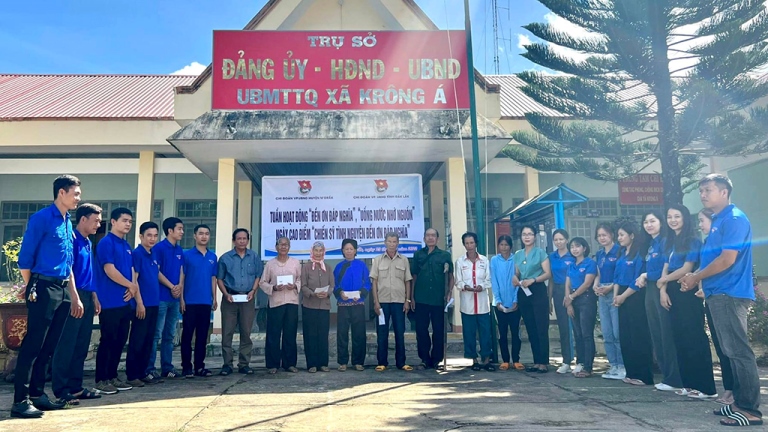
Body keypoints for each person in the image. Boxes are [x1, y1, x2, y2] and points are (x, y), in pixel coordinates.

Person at [681, 174, 763, 426]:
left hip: (730, 293)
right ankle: (739, 402)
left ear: (724, 192)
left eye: (708, 190)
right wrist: (701, 281)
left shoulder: (734, 219)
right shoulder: (718, 220)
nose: (703, 195)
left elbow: (727, 259)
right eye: (701, 191)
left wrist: (696, 277)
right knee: (729, 351)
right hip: (718, 292)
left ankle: (750, 409)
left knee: (739, 352)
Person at [12, 176, 83, 418]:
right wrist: (31, 285)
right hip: (43, 287)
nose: (78, 198)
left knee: (49, 346)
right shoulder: (42, 218)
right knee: (33, 344)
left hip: (62, 290)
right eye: (75, 193)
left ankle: (37, 395)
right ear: (61, 193)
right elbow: (25, 258)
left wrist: (74, 295)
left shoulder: (67, 222)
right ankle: (20, 402)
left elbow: (68, 263)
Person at [657, 205, 716, 399]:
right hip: (671, 290)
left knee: (693, 336)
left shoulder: (692, 240)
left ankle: (705, 387)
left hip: (687, 288)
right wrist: (663, 290)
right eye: (669, 216)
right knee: (679, 338)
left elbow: (686, 268)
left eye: (677, 216)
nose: (673, 220)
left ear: (685, 218)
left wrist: (664, 280)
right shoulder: (669, 241)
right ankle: (688, 383)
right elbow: (665, 267)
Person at [51, 203, 102, 406]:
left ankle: (76, 387)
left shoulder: (88, 241)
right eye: (96, 220)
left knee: (81, 345)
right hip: (73, 296)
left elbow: (89, 272)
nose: (99, 224)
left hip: (87, 295)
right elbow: (68, 269)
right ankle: (61, 390)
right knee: (67, 345)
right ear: (83, 219)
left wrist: (94, 296)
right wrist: (74, 297)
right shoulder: (71, 238)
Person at [636, 210, 682, 392]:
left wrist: (646, 274)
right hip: (650, 290)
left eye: (652, 221)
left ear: (661, 223)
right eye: (646, 222)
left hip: (661, 288)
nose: (649, 225)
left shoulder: (665, 242)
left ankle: (674, 377)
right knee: (656, 333)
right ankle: (666, 375)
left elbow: (667, 268)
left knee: (665, 334)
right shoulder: (650, 244)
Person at [93, 207, 137, 395]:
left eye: (130, 221)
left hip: (125, 302)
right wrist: (131, 285)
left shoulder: (126, 246)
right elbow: (109, 270)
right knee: (108, 340)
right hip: (109, 302)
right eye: (124, 220)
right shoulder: (106, 243)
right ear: (113, 222)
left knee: (120, 341)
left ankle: (112, 376)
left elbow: (132, 270)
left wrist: (132, 287)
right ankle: (101, 379)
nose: (128, 224)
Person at [697, 208, 734, 405]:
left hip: (724, 295)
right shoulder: (706, 243)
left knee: (730, 347)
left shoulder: (722, 240)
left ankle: (736, 390)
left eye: (702, 221)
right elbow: (704, 268)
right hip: (711, 295)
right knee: (721, 346)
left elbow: (722, 265)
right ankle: (729, 387)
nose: (700, 225)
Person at [612, 219, 654, 386]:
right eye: (618, 235)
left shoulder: (639, 254)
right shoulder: (622, 254)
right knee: (625, 336)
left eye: (622, 235)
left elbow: (637, 281)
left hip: (634, 296)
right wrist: (616, 296)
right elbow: (616, 276)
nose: (619, 238)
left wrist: (623, 296)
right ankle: (631, 372)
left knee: (638, 336)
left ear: (632, 235)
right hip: (621, 296)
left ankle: (643, 375)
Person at [217, 228, 263, 375]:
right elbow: (219, 278)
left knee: (246, 332)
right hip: (230, 298)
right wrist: (225, 294)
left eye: (244, 238)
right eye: (239, 239)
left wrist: (253, 291)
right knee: (227, 332)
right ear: (234, 240)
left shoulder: (254, 257)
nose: (242, 241)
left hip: (247, 299)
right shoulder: (225, 258)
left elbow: (257, 276)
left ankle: (244, 364)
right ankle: (227, 364)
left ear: (247, 240)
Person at [410, 228, 454, 370]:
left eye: (433, 236)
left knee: (439, 329)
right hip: (421, 297)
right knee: (421, 330)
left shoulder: (445, 256)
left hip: (438, 299)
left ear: (438, 239)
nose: (430, 238)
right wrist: (412, 296)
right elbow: (414, 276)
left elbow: (451, 276)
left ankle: (437, 359)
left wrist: (449, 292)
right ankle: (424, 358)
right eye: (428, 236)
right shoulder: (418, 255)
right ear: (424, 238)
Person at [148, 217, 185, 379]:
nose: (182, 232)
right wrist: (172, 286)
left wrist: (179, 287)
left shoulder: (179, 250)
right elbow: (156, 271)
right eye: (179, 229)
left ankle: (167, 367)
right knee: (156, 333)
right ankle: (149, 368)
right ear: (170, 231)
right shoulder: (159, 248)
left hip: (175, 299)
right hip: (162, 297)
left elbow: (182, 271)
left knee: (169, 335)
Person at [370, 233, 413, 372]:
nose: (392, 244)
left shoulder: (404, 260)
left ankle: (401, 362)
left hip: (399, 302)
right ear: (385, 242)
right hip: (382, 303)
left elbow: (407, 281)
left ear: (398, 243)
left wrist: (407, 300)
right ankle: (382, 362)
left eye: (394, 241)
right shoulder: (377, 260)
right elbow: (374, 283)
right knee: (382, 333)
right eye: (389, 241)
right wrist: (376, 302)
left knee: (399, 332)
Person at [512, 224, 552, 373]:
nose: (527, 237)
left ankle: (544, 362)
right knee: (530, 327)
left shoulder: (541, 253)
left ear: (534, 236)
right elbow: (517, 272)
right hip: (523, 291)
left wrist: (534, 280)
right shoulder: (518, 254)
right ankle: (536, 362)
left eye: (529, 234)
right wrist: (515, 278)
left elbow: (548, 273)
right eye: (524, 234)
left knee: (541, 326)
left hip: (537, 290)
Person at [180, 224, 218, 378]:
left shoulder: (212, 257)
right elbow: (181, 278)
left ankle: (200, 366)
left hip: (205, 302)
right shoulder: (186, 255)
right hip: (189, 301)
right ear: (194, 236)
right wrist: (181, 298)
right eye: (201, 233)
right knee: (187, 335)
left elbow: (213, 278)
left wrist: (214, 297)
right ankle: (186, 367)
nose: (204, 236)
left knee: (202, 336)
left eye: (207, 233)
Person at [125, 222, 159, 388]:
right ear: (141, 236)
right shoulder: (137, 254)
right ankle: (132, 374)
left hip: (154, 303)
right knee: (138, 340)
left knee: (148, 340)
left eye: (155, 235)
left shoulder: (152, 254)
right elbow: (134, 280)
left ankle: (143, 372)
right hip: (142, 304)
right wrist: (139, 302)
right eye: (149, 235)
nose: (152, 239)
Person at [261, 236, 301, 374]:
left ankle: (289, 363)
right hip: (276, 302)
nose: (283, 247)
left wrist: (295, 285)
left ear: (289, 247)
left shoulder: (295, 263)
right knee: (273, 334)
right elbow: (262, 282)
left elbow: (301, 280)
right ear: (276, 247)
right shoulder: (270, 264)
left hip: (291, 302)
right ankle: (272, 364)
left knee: (290, 334)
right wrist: (273, 288)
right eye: (281, 244)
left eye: (286, 244)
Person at [454, 232, 494, 371]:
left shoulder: (484, 261)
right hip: (467, 304)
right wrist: (465, 286)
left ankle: (486, 359)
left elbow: (489, 280)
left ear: (476, 243)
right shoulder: (460, 262)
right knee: (469, 333)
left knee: (485, 333)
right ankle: (474, 360)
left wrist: (481, 286)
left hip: (483, 304)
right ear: (464, 244)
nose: (470, 246)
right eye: (467, 243)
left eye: (472, 243)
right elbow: (458, 281)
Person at [592, 222, 625, 380]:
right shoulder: (599, 254)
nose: (602, 238)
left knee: (618, 331)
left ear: (611, 235)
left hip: (615, 292)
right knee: (607, 332)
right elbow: (597, 273)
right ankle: (613, 365)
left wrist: (610, 288)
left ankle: (622, 365)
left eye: (604, 235)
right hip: (601, 294)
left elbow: (620, 273)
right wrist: (595, 285)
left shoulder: (619, 251)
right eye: (599, 236)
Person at [563, 237, 597, 378]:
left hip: (586, 299)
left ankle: (588, 367)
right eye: (572, 247)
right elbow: (567, 284)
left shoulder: (590, 263)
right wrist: (569, 302)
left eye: (578, 246)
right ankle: (580, 362)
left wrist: (572, 296)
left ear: (584, 248)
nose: (575, 249)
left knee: (586, 334)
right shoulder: (571, 265)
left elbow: (587, 283)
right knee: (577, 334)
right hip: (573, 299)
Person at [334, 239, 370, 371]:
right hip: (343, 305)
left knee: (359, 333)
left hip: (358, 304)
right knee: (342, 334)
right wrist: (340, 293)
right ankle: (342, 362)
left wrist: (361, 293)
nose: (349, 251)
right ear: (342, 251)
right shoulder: (339, 266)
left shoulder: (361, 266)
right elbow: (335, 284)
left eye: (351, 249)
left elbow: (367, 282)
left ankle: (358, 361)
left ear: (355, 251)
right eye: (346, 249)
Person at [300, 241, 334, 373]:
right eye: (316, 250)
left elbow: (332, 285)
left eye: (321, 251)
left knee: (323, 335)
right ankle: (312, 364)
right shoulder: (306, 267)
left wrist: (328, 293)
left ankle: (323, 364)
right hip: (310, 305)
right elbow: (303, 285)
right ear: (312, 252)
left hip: (324, 306)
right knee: (310, 335)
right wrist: (312, 293)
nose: (318, 253)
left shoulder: (328, 268)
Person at [491, 235, 520, 371]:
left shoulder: (517, 259)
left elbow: (518, 281)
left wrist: (516, 300)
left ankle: (516, 359)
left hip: (515, 303)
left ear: (510, 246)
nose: (504, 247)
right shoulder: (494, 260)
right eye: (501, 245)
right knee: (502, 333)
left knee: (515, 332)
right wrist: (498, 301)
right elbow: (494, 282)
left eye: (506, 245)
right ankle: (505, 360)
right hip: (499, 304)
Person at [549, 229, 575, 374]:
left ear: (567, 239)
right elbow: (551, 278)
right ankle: (566, 361)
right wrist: (549, 299)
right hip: (558, 292)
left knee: (578, 327)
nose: (558, 242)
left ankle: (582, 361)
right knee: (563, 327)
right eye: (556, 240)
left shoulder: (573, 255)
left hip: (574, 292)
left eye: (561, 239)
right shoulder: (551, 257)